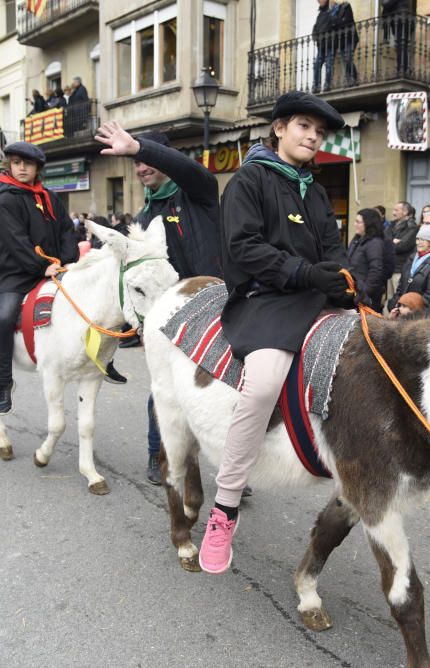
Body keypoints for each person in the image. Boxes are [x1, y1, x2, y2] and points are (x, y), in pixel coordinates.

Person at [197, 91, 352, 574]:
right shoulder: (249, 180)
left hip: (317, 298)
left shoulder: (317, 190)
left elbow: (333, 248)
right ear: (279, 129)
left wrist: (349, 284)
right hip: (264, 300)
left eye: (320, 132)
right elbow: (243, 249)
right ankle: (224, 507)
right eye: (304, 126)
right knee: (264, 382)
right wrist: (306, 274)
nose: (312, 136)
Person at [94, 121, 224, 485]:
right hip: (169, 317)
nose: (140, 168)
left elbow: (192, 170)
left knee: (220, 390)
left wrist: (138, 146)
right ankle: (159, 454)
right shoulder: (144, 218)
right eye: (135, 163)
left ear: (164, 158)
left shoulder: (197, 192)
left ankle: (231, 466)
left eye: (144, 159)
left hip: (215, 307)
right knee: (164, 390)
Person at [0, 142, 80, 415]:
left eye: (27, 164)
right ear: (10, 165)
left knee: (84, 304)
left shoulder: (49, 197)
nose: (22, 168)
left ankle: (97, 361)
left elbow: (66, 230)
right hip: (15, 274)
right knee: (5, 317)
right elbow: (16, 242)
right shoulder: (5, 201)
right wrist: (41, 267)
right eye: (16, 162)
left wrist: (66, 259)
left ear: (38, 168)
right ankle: (3, 382)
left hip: (52, 268)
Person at [387, 224, 430, 309]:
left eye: (423, 240)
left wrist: (410, 309)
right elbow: (401, 286)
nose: (419, 242)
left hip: (417, 314)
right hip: (402, 309)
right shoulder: (411, 258)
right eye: (418, 239)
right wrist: (395, 304)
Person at [346, 208, 387, 310]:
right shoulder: (357, 240)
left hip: (365, 297)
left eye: (358, 222)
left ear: (368, 224)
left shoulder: (374, 243)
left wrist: (363, 293)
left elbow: (376, 271)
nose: (355, 224)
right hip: (355, 291)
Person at [381, 0, 414, 77]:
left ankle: (402, 70)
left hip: (401, 20)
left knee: (401, 46)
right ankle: (403, 69)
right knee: (402, 46)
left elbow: (387, 4)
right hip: (403, 20)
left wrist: (384, 4)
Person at [312, 0, 336, 93]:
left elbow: (335, 24)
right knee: (317, 65)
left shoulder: (331, 12)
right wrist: (316, 37)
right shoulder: (320, 15)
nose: (319, 2)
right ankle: (316, 86)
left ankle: (327, 84)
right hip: (321, 45)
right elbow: (315, 28)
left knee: (329, 65)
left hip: (330, 44)